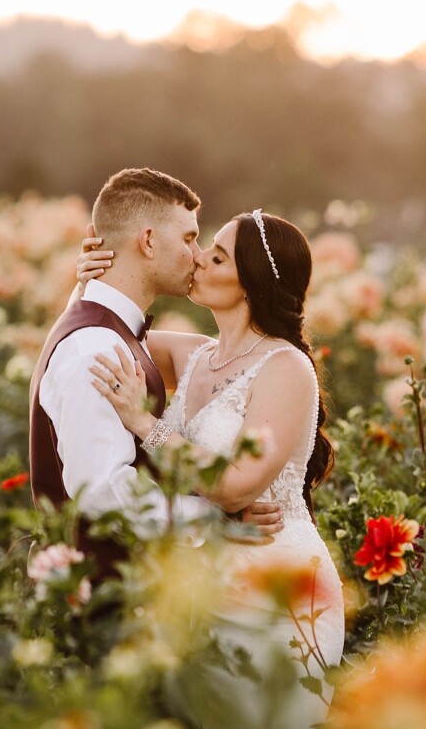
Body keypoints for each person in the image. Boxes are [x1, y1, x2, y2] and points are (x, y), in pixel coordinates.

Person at [80, 208, 346, 729]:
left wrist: (145, 423)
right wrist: (89, 280)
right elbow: (96, 332)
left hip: (282, 593)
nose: (199, 258)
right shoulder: (195, 355)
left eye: (217, 255)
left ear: (250, 284)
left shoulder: (286, 367)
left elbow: (235, 488)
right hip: (211, 589)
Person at [29, 168, 283, 581]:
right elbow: (102, 493)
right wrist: (216, 519)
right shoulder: (97, 347)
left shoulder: (115, 333)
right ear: (148, 241)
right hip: (96, 603)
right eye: (188, 238)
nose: (197, 254)